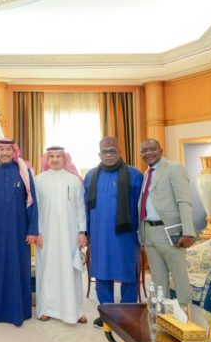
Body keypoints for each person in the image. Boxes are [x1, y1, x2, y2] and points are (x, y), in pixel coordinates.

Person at [84, 136, 142, 329]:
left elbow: (141, 207)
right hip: (99, 234)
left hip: (126, 235)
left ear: (120, 153)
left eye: (112, 151)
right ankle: (107, 313)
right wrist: (86, 232)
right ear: (99, 154)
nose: (108, 155)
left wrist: (142, 233)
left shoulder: (134, 175)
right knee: (101, 272)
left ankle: (128, 313)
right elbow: (85, 207)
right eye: (105, 152)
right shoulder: (91, 176)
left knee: (128, 272)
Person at [0, 138, 38, 327]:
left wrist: (33, 230)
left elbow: (32, 203)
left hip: (20, 231)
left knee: (18, 269)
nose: (5, 153)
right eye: (1, 150)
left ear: (14, 152)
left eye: (8, 150)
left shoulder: (24, 172)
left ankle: (19, 311)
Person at [34, 146, 88, 324]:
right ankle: (46, 308)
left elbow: (80, 207)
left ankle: (75, 310)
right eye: (51, 156)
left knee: (71, 270)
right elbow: (35, 210)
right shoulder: (39, 180)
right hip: (46, 234)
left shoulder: (74, 180)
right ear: (47, 159)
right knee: (47, 269)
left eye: (58, 156)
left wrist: (82, 232)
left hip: (70, 234)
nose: (55, 159)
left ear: (64, 159)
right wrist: (37, 231)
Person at [138, 138, 194, 306]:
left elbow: (184, 201)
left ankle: (185, 315)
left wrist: (188, 232)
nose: (149, 153)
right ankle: (163, 315)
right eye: (144, 150)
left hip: (170, 231)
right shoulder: (147, 173)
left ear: (160, 151)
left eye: (152, 149)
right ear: (141, 154)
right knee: (158, 279)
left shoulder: (174, 168)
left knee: (179, 276)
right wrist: (142, 234)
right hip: (149, 232)